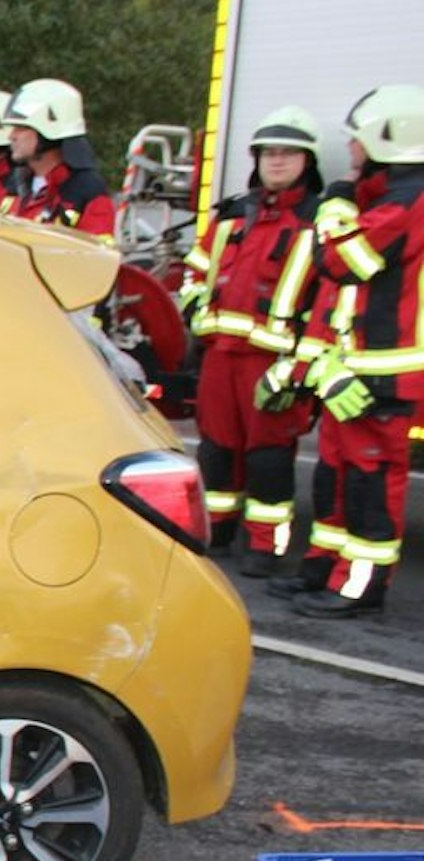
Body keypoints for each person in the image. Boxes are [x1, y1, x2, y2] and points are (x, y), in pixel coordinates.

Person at [266, 85, 424, 617]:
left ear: (385, 140)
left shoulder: (409, 203)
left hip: (382, 379)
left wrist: (333, 204)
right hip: (351, 371)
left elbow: (339, 261)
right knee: (334, 477)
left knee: (370, 487)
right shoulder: (389, 199)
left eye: (357, 139)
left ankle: (359, 588)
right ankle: (320, 573)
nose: (350, 149)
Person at [179, 106, 323, 575]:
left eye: (289, 153)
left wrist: (298, 366)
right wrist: (196, 312)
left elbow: (325, 300)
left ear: (308, 161)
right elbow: (196, 272)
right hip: (220, 355)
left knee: (269, 458)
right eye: (269, 153)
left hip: (274, 363)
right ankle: (217, 528)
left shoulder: (317, 223)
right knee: (216, 448)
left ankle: (266, 545)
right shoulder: (231, 218)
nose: (277, 161)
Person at [0, 79, 114, 241]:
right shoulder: (15, 187)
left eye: (21, 127)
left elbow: (98, 259)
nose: (11, 136)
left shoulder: (87, 191)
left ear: (49, 131)